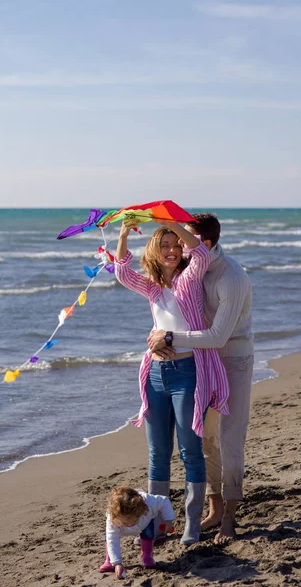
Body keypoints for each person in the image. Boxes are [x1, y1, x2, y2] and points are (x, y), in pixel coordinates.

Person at [114, 218, 229, 545]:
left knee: (190, 450)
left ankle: (192, 522)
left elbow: (200, 254)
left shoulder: (190, 278)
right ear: (154, 249)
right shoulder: (151, 285)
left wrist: (170, 224)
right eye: (164, 245)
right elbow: (122, 272)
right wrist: (123, 233)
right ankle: (157, 524)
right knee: (158, 453)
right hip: (155, 374)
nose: (172, 250)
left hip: (188, 372)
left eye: (176, 245)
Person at [147, 212, 253, 544]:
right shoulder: (188, 269)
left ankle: (230, 520)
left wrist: (169, 339)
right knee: (204, 440)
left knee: (230, 437)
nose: (178, 245)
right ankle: (215, 507)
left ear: (203, 244)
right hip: (198, 362)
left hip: (231, 358)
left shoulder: (231, 277)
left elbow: (219, 336)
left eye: (184, 238)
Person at [99, 485, 175, 578]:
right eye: (123, 522)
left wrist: (168, 520)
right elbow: (112, 540)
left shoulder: (149, 502)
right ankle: (109, 560)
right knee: (109, 537)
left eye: (129, 521)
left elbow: (164, 501)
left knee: (148, 533)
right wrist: (117, 563)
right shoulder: (113, 519)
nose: (127, 525)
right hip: (118, 527)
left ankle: (147, 556)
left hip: (144, 522)